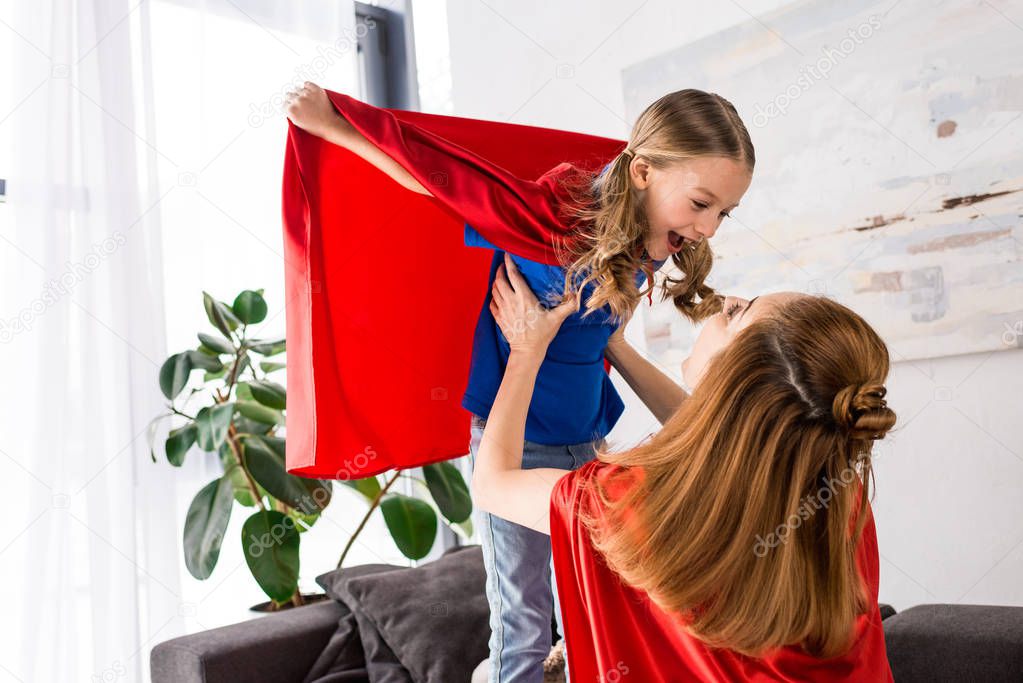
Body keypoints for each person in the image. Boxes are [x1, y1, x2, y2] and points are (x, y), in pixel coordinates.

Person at [286, 82, 755, 681]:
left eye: (724, 212)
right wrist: (334, 127)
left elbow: (671, 401)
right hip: (516, 441)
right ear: (642, 172)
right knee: (523, 620)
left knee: (590, 607)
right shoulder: (558, 213)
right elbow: (439, 182)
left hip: (584, 440)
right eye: (701, 204)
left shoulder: (654, 239)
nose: (711, 228)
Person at [472, 256, 897, 682]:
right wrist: (617, 345)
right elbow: (726, 439)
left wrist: (526, 353)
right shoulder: (837, 492)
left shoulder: (633, 504)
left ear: (732, 378)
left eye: (737, 312)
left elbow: (493, 485)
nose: (726, 301)